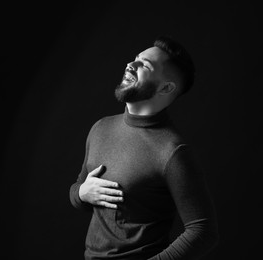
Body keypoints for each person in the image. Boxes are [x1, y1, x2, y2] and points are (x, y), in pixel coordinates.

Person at [70, 35, 219, 259]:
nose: (131, 64)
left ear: (166, 88)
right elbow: (79, 190)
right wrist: (81, 193)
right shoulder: (100, 128)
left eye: (144, 65)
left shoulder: (172, 151)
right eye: (136, 58)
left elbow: (203, 231)